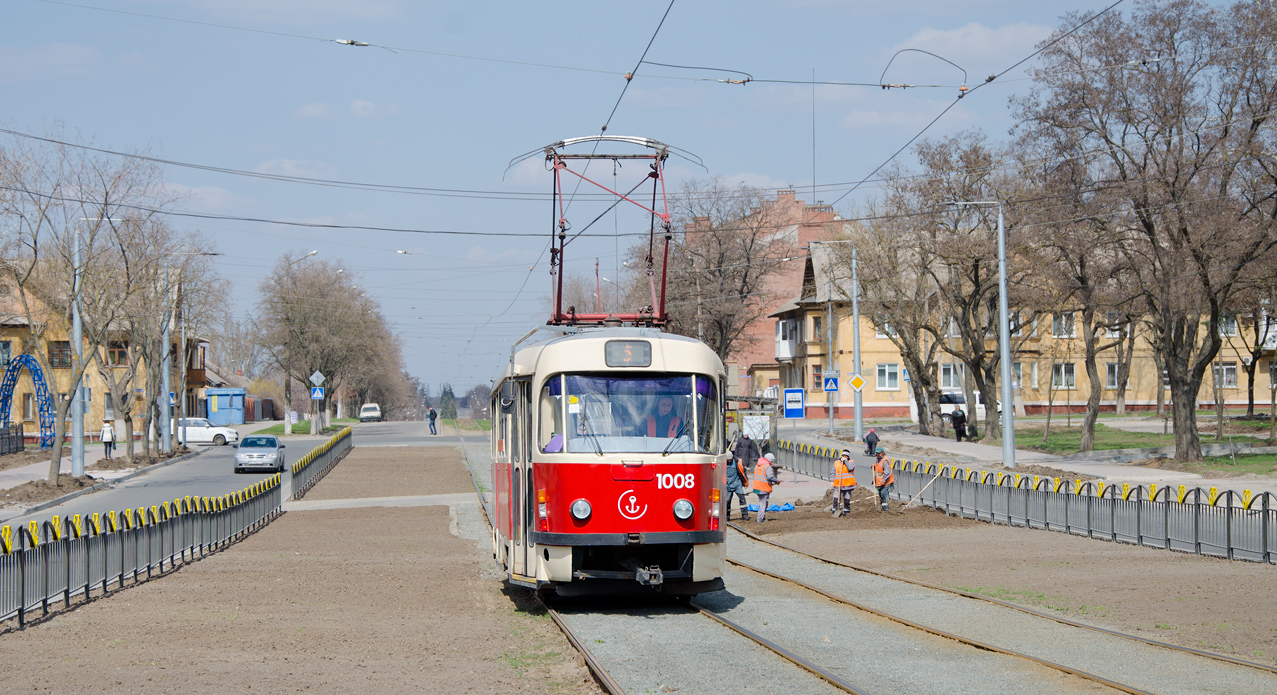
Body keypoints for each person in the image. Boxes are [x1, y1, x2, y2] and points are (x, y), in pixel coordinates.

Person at [751, 452, 781, 523]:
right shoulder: (767, 466)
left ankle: (761, 517)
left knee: (762, 502)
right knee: (763, 504)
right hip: (763, 487)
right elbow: (770, 477)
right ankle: (760, 519)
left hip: (757, 487)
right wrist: (777, 481)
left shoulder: (758, 465)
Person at [725, 443, 750, 520]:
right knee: (727, 501)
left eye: (729, 459)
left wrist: (745, 482)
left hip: (737, 483)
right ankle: (727, 516)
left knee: (742, 498)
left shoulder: (737, 462)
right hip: (727, 485)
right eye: (727, 460)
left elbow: (743, 472)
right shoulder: (722, 463)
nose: (729, 461)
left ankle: (745, 514)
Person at [830, 449, 856, 516]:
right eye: (843, 456)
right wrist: (831, 481)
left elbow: (850, 468)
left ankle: (846, 511)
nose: (844, 457)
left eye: (846, 456)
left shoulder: (851, 462)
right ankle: (834, 511)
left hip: (848, 484)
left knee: (847, 499)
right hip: (838, 484)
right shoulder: (837, 462)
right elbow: (833, 472)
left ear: (848, 456)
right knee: (836, 498)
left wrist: (846, 462)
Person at [871, 446, 895, 511]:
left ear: (882, 453)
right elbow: (879, 470)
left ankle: (885, 508)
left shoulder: (885, 460)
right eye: (877, 453)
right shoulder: (878, 459)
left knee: (883, 493)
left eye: (879, 453)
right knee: (881, 494)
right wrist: (874, 467)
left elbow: (887, 472)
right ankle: (883, 507)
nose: (877, 454)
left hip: (886, 481)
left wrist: (883, 480)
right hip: (879, 481)